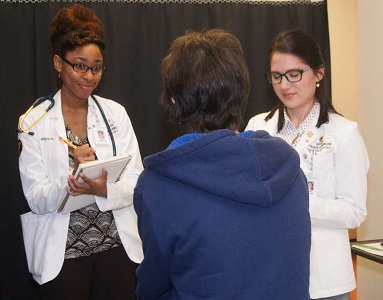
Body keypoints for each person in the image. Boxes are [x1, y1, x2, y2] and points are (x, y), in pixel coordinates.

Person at [134, 29, 311, 300]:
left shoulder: (159, 187)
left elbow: (154, 286)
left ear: (173, 100)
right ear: (243, 92)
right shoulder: (289, 170)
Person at [18, 4, 143, 299]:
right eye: (80, 65)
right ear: (58, 63)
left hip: (117, 250)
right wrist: (70, 182)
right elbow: (35, 197)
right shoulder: (33, 121)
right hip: (63, 257)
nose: (89, 76)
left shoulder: (115, 114)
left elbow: (137, 181)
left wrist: (103, 190)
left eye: (96, 67)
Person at [246, 29, 370, 300]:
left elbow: (354, 211)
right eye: (277, 76)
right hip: (268, 272)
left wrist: (296, 201)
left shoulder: (344, 132)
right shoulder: (258, 127)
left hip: (324, 278)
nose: (285, 85)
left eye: (294, 74)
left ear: (319, 73)